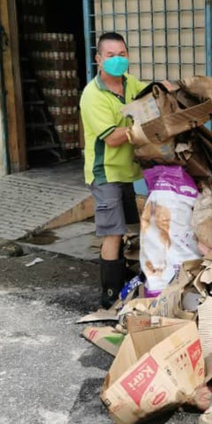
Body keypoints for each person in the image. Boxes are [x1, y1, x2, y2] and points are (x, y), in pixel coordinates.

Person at [79, 31, 150, 307]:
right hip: (105, 173)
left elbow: (149, 99)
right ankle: (108, 295)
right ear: (99, 59)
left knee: (130, 226)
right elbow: (111, 137)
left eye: (122, 55)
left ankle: (124, 278)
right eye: (110, 56)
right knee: (113, 231)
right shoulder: (92, 95)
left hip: (128, 171)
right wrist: (141, 128)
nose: (117, 60)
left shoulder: (130, 83)